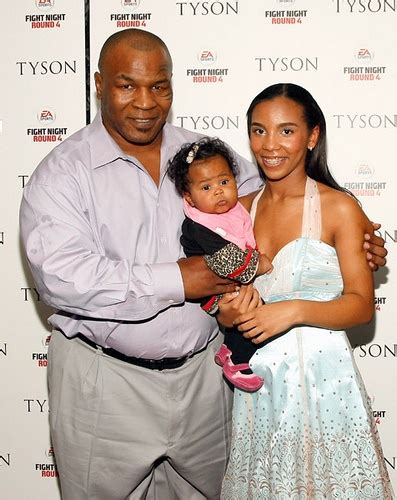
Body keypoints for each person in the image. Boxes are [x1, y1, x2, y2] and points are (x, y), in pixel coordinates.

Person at [18, 27, 387, 500]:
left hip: (205, 385)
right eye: (127, 85)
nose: (145, 102)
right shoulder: (62, 173)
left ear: (173, 85)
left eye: (159, 85)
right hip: (105, 386)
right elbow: (62, 279)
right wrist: (179, 279)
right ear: (98, 85)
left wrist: (354, 249)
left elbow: (280, 197)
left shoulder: (207, 156)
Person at [219, 83, 393, 499]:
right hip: (259, 385)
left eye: (286, 130)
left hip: (324, 385)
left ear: (312, 136)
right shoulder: (238, 211)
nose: (270, 145)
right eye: (258, 131)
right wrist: (229, 314)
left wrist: (292, 310)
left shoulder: (339, 207)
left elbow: (360, 307)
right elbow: (222, 301)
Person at [167, 136, 272, 392]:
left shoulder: (235, 212)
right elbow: (228, 262)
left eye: (224, 182)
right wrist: (260, 265)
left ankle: (228, 350)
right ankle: (237, 360)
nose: (218, 191)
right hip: (214, 290)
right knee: (252, 312)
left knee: (251, 305)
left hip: (230, 283)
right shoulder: (198, 225)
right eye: (206, 188)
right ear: (189, 199)